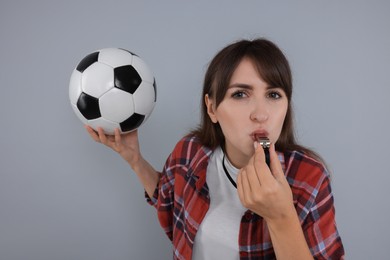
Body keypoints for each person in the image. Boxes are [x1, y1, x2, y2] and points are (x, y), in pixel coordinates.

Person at [86, 38, 345, 259]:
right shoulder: (190, 152)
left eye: (274, 95)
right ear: (212, 108)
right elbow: (167, 200)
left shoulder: (309, 178)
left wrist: (281, 217)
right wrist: (135, 159)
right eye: (240, 94)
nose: (261, 114)